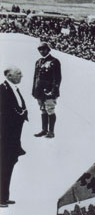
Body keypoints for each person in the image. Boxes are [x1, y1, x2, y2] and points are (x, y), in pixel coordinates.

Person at [0, 66, 28, 207]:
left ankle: (4, 196)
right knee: (3, 166)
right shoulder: (3, 90)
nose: (21, 75)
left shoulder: (13, 88)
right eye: (18, 73)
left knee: (8, 165)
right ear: (9, 75)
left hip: (13, 138)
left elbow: (19, 107)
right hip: (5, 138)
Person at [32, 41, 61, 138]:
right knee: (43, 110)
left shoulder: (54, 61)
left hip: (49, 91)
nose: (41, 51)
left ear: (48, 49)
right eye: (40, 49)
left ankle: (51, 132)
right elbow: (35, 77)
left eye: (43, 49)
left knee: (50, 110)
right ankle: (44, 130)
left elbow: (57, 78)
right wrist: (34, 91)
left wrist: (53, 91)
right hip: (39, 91)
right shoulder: (38, 62)